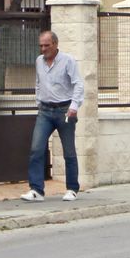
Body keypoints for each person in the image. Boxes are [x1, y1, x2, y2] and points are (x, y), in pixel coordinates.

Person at [23, 30, 83, 203]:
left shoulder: (67, 60)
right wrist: (38, 101)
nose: (43, 49)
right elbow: (38, 83)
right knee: (36, 149)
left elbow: (78, 84)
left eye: (47, 45)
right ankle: (36, 190)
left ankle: (72, 189)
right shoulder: (38, 61)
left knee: (69, 151)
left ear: (55, 44)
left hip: (65, 110)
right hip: (45, 111)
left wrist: (74, 106)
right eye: (41, 45)